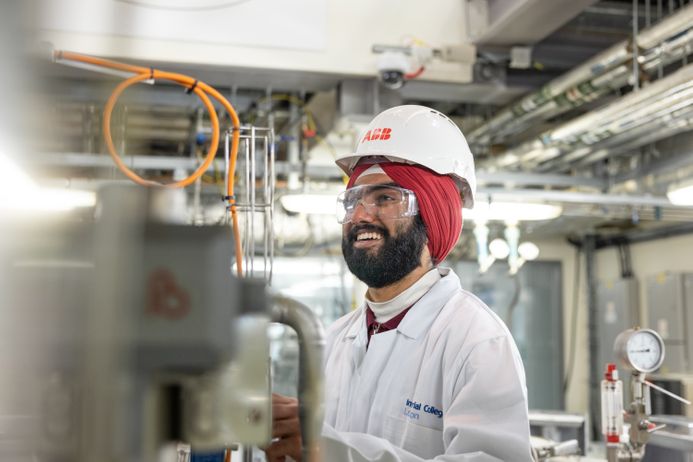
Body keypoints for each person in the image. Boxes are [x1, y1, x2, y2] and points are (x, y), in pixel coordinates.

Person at [265, 105, 533, 461]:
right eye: (353, 201)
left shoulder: (476, 341)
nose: (360, 215)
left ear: (434, 215)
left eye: (386, 198)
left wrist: (331, 450)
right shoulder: (336, 339)